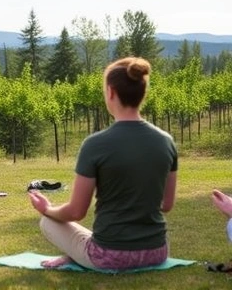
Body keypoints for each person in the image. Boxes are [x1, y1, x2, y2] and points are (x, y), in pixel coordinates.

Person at [29, 57, 178, 270]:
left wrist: (48, 209)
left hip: (109, 256)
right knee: (88, 236)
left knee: (48, 222)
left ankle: (77, 254)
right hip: (157, 252)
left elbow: (76, 212)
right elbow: (166, 204)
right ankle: (74, 256)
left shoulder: (95, 144)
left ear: (111, 92)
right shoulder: (166, 141)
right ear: (143, 93)